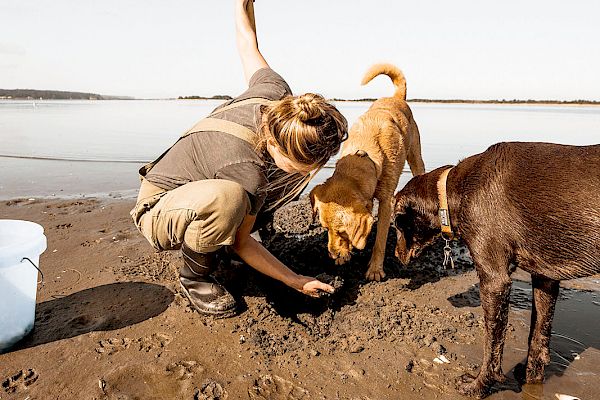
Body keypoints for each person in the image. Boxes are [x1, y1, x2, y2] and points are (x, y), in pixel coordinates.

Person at [130, 0, 348, 318]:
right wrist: (295, 280)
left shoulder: (275, 92)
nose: (315, 170)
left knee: (244, 197)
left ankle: (215, 235)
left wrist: (242, 5)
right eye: (304, 163)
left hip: (199, 189)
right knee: (231, 198)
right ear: (275, 143)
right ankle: (195, 276)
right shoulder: (248, 172)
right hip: (159, 209)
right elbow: (243, 245)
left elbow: (248, 44)